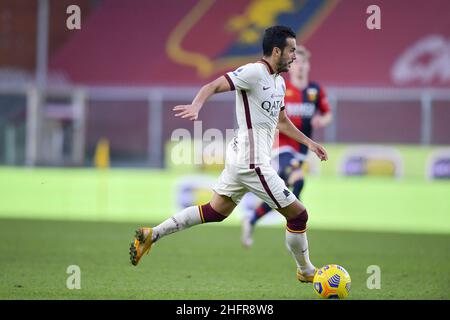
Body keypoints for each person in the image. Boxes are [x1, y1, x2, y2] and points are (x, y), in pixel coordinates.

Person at [129, 26, 328, 283]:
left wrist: (310, 143)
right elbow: (213, 85)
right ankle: (306, 271)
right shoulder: (254, 72)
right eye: (291, 50)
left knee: (215, 212)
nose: (294, 56)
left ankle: (151, 234)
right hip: (252, 162)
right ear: (276, 51)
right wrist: (196, 105)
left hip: (242, 160)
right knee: (299, 215)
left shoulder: (278, 82)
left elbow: (282, 122)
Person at [241, 45, 333, 248]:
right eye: (297, 62)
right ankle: (294, 221)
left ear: (308, 66)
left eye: (304, 62)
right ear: (292, 66)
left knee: (279, 192)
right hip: (281, 146)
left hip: (300, 150)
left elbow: (327, 113)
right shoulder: (282, 88)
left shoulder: (315, 91)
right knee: (298, 181)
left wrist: (322, 121)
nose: (300, 66)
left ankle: (251, 219)